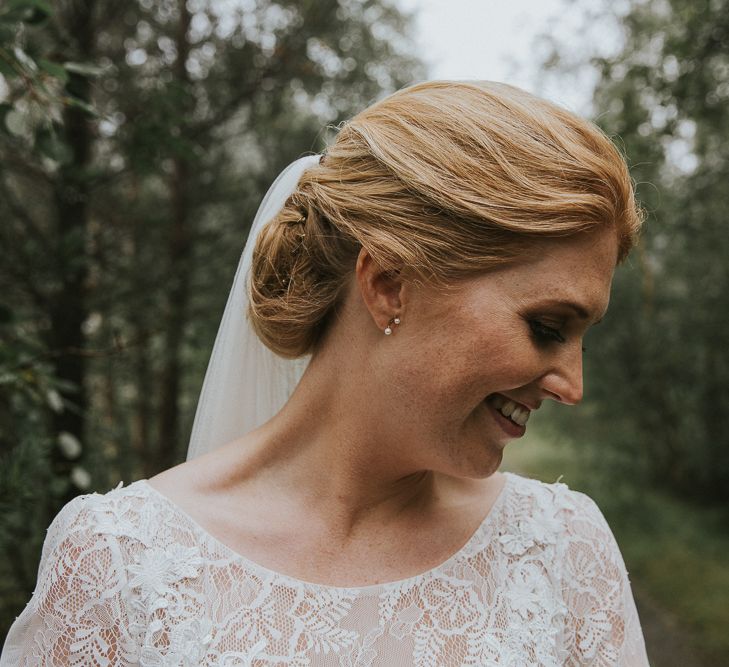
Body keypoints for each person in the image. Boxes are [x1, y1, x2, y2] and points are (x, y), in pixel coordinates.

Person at [1, 80, 651, 666]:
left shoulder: (562, 552)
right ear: (388, 283)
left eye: (581, 338)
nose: (571, 384)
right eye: (546, 327)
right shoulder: (120, 563)